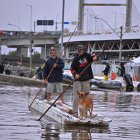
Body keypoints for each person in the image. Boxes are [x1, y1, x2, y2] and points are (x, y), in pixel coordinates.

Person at [70, 44, 98, 116]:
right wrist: (75, 74)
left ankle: (86, 111)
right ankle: (75, 112)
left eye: (81, 50)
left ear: (83, 50)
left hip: (86, 79)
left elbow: (95, 57)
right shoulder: (75, 59)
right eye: (79, 50)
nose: (80, 51)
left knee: (86, 95)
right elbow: (72, 69)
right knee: (77, 96)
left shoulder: (88, 56)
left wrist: (95, 58)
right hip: (78, 80)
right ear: (77, 50)